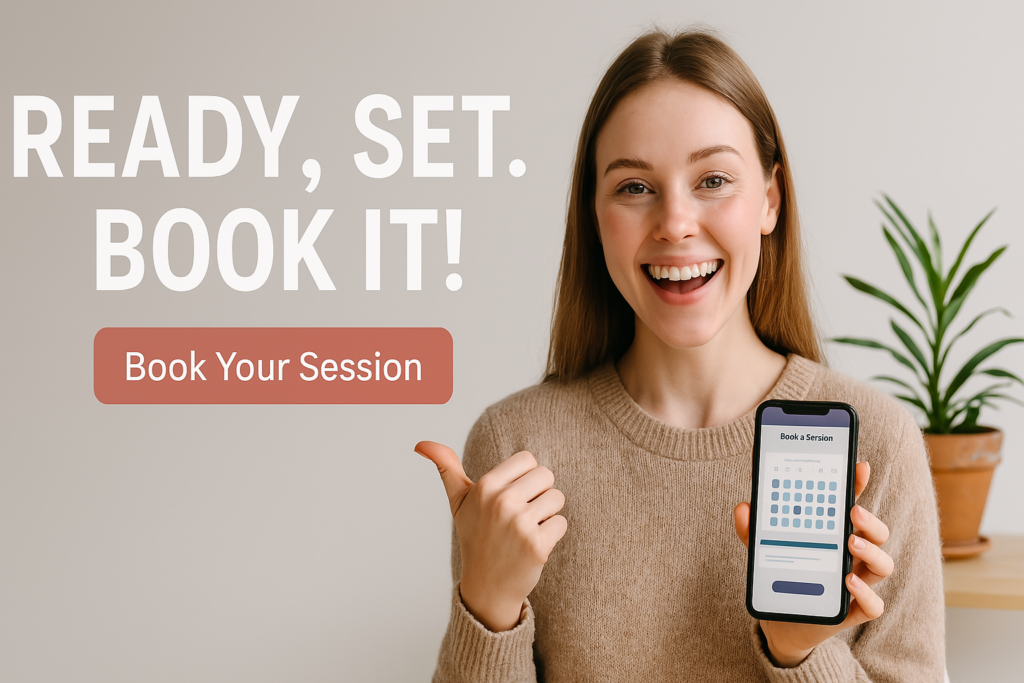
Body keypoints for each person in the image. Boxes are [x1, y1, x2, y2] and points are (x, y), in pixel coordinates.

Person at [416, 27, 945, 682]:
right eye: (634, 187)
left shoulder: (879, 441)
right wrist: (488, 605)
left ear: (770, 200)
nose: (674, 222)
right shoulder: (516, 445)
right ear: (594, 213)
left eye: (714, 179)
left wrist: (798, 650)